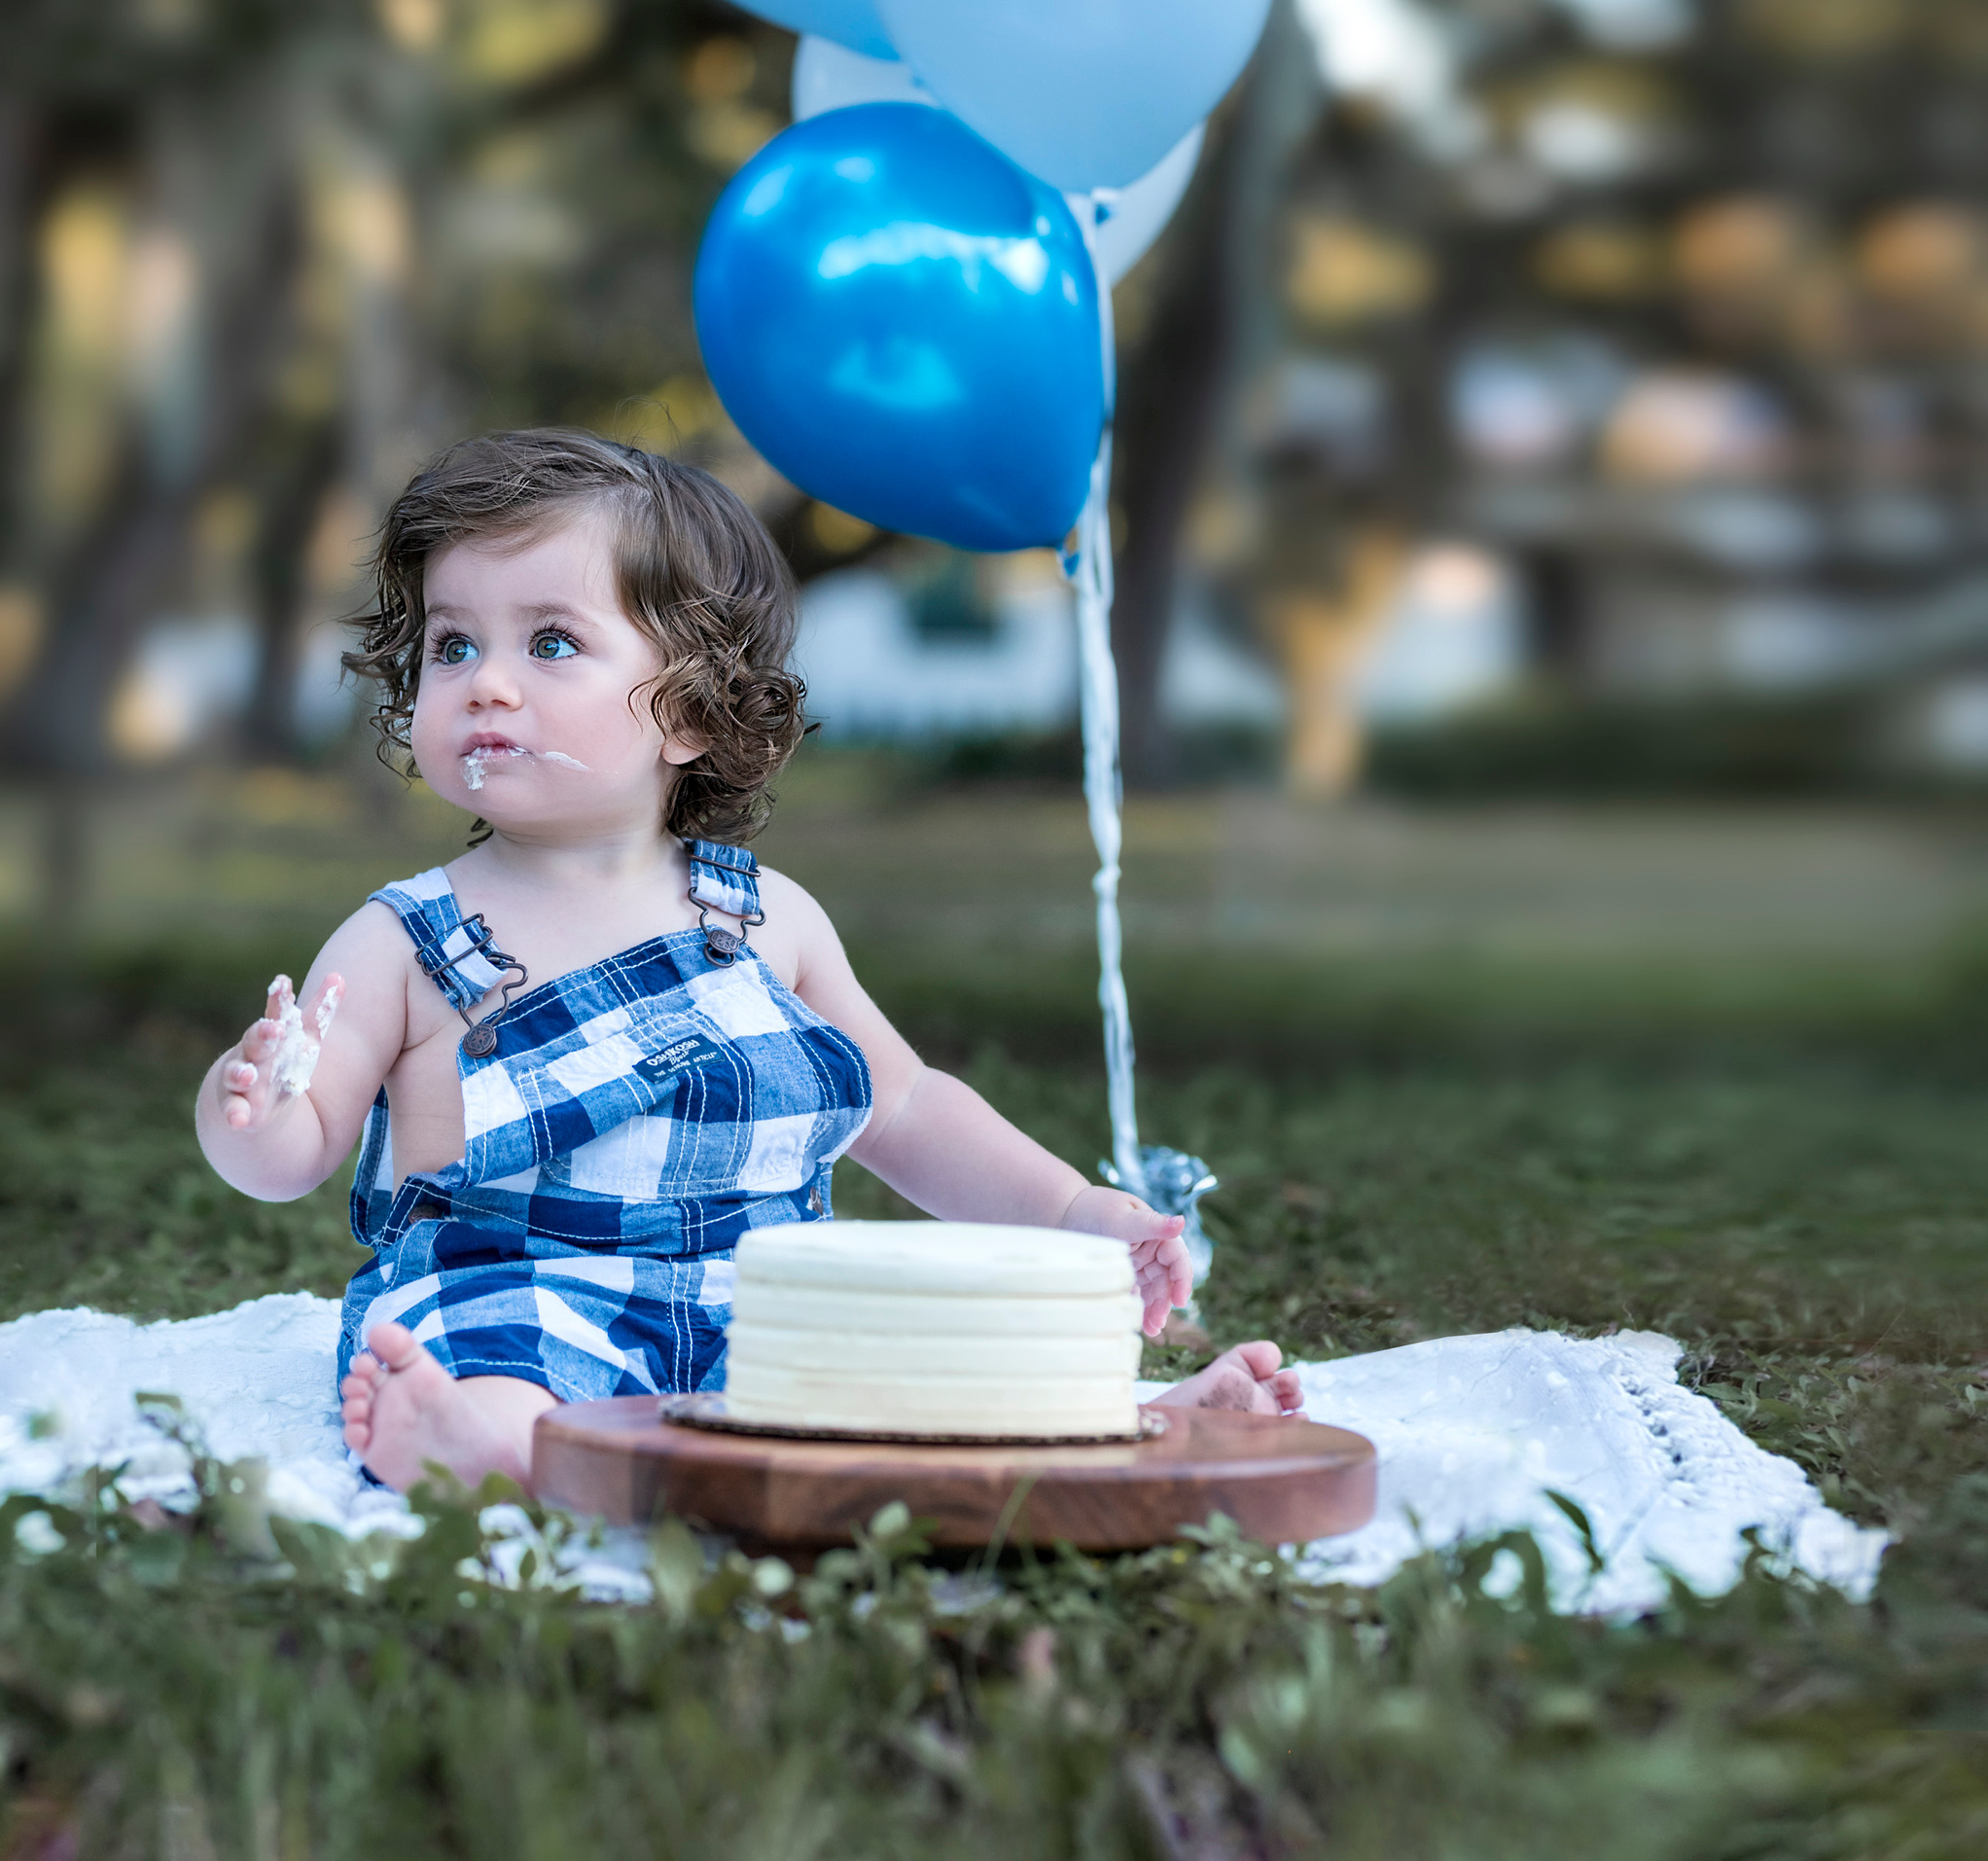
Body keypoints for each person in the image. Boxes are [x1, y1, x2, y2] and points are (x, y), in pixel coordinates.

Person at [195, 428, 1303, 1495]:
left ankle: (1137, 1421)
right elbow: (293, 1153)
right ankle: (479, 1443)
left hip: (770, 1303)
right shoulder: (403, 938)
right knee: (497, 1373)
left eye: (549, 642)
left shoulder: (767, 920)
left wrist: (1072, 1213)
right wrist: (251, 1107)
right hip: (524, 1294)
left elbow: (904, 1106)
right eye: (453, 644)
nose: (486, 682)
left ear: (688, 709)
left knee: (933, 1369)